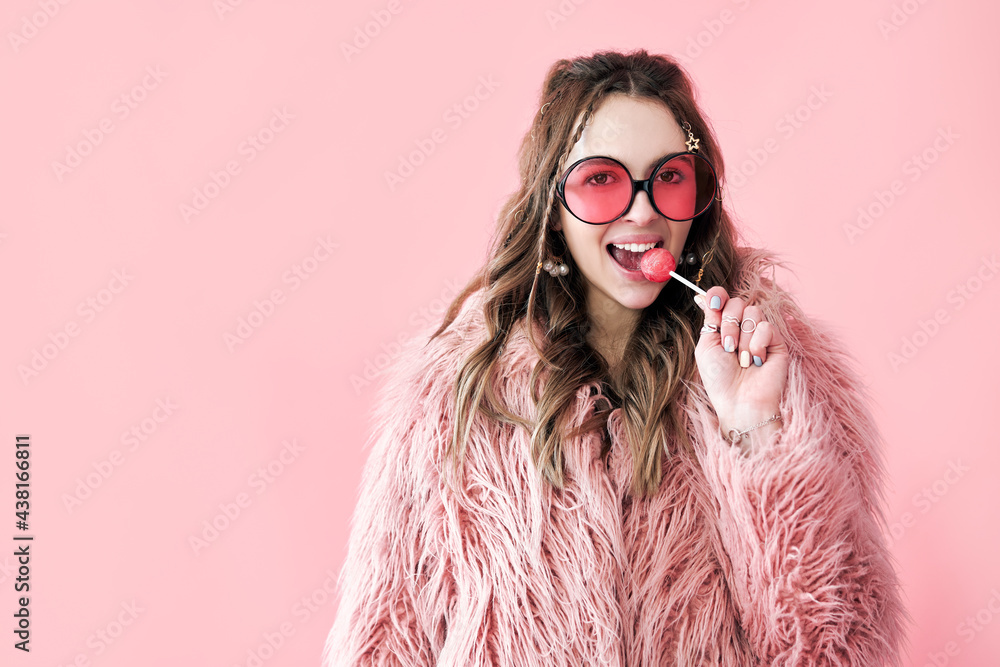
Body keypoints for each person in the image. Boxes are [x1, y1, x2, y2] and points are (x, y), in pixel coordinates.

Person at [323, 49, 909, 665]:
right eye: (601, 179)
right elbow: (381, 647)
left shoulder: (774, 366)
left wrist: (756, 435)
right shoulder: (454, 394)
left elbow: (838, 650)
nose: (643, 210)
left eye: (670, 177)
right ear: (553, 207)